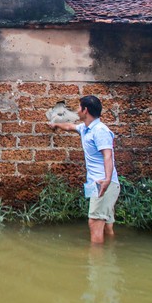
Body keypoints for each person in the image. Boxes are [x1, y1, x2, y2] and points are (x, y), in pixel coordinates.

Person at [48, 95, 120, 244]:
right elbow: (70, 126)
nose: (76, 110)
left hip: (103, 183)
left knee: (94, 223)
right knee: (106, 225)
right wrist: (55, 125)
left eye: (79, 107)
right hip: (96, 184)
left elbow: (108, 155)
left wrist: (106, 180)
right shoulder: (86, 128)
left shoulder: (100, 130)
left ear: (85, 110)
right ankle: (111, 253)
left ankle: (96, 263)